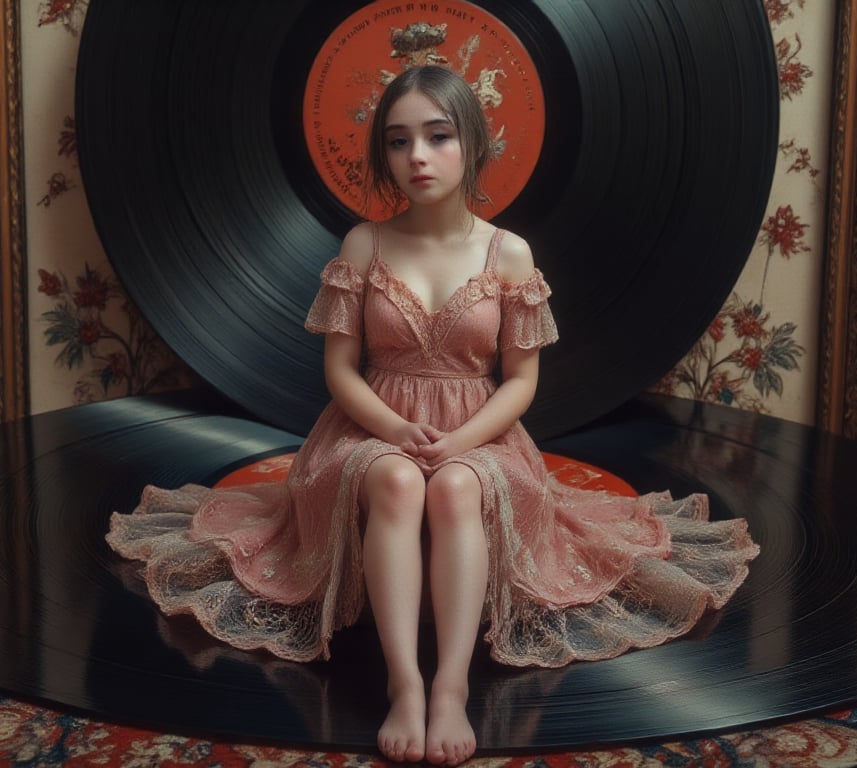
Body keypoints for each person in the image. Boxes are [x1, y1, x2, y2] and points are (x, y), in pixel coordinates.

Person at [108, 65, 759, 766]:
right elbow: (338, 371)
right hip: (369, 427)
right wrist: (392, 430)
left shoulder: (509, 254)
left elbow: (519, 384)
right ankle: (405, 684)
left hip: (480, 428)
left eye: (437, 136)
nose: (417, 156)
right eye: (398, 141)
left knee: (454, 486)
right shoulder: (364, 243)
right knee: (394, 481)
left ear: (471, 144)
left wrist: (460, 442)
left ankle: (450, 686)